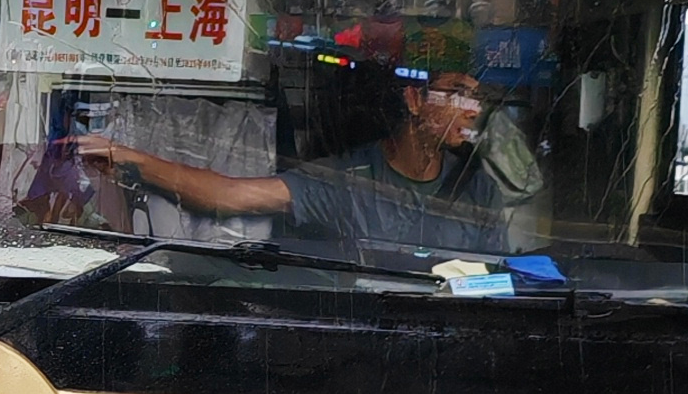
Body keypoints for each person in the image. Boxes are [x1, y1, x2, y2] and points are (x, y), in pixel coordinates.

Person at [77, 64, 515, 255]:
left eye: (476, 99)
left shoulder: (479, 191)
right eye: (456, 93)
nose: (470, 109)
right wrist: (127, 156)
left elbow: (503, 281)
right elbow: (229, 196)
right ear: (414, 100)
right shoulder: (350, 180)